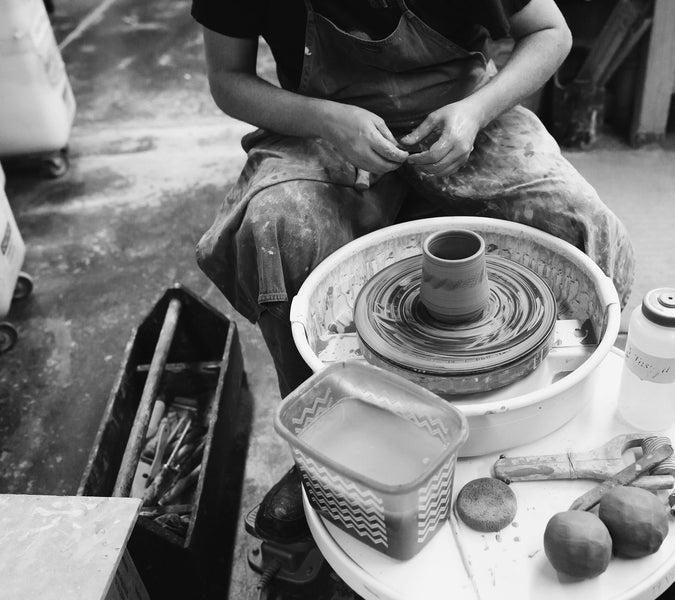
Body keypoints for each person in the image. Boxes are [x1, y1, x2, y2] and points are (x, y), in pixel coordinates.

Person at [191, 0, 635, 546]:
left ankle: (573, 431)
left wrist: (476, 110)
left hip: (463, 119)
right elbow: (226, 78)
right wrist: (324, 119)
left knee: (582, 223)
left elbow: (550, 31)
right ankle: (323, 457)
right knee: (279, 229)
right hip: (322, 127)